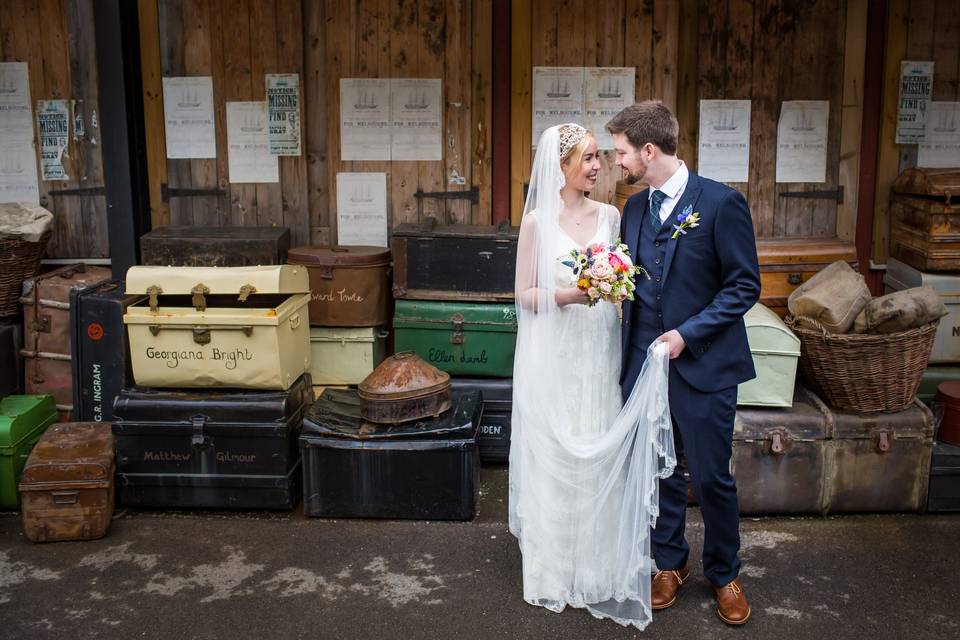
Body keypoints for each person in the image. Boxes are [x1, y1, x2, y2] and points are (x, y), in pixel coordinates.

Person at [509, 122, 676, 630]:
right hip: (556, 353)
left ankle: (599, 561)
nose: (598, 166)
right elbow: (524, 296)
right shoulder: (538, 222)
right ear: (561, 167)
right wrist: (571, 294)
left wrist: (616, 287)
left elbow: (627, 278)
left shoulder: (613, 216)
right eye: (586, 159)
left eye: (600, 158)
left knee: (599, 440)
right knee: (558, 447)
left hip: (601, 351)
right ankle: (557, 564)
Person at [607, 101, 761, 626]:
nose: (616, 161)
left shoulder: (720, 204)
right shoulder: (632, 209)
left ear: (649, 150)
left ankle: (725, 573)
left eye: (622, 151)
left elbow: (744, 286)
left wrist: (686, 335)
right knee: (659, 470)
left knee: (713, 477)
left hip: (704, 366)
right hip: (643, 367)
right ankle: (669, 564)